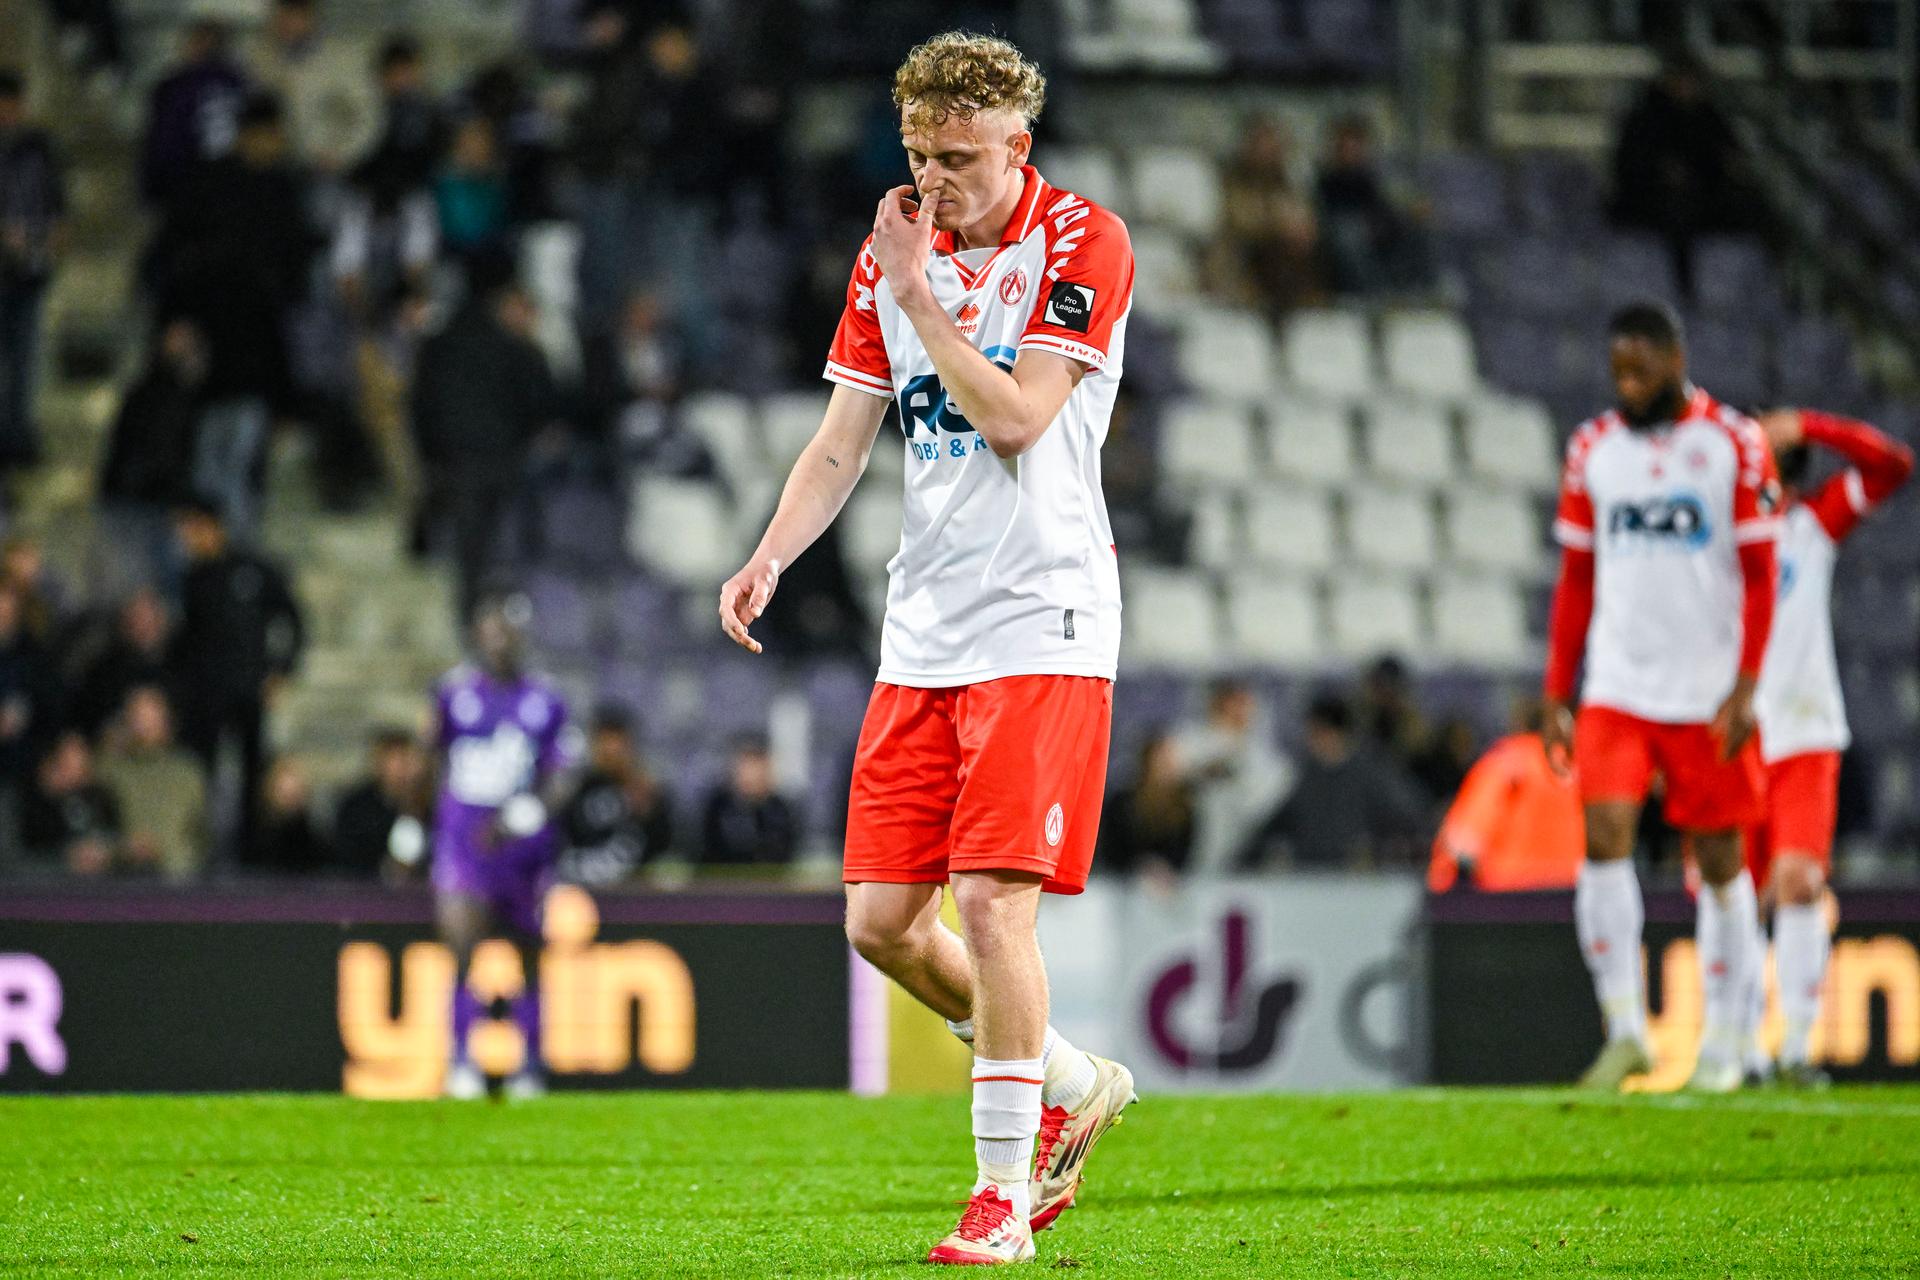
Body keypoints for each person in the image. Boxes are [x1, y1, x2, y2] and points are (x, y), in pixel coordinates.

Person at [718, 32, 1136, 1264]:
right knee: (880, 922)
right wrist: (771, 554)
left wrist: (918, 290)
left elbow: (1014, 417)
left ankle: (1002, 1196)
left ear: (1020, 145)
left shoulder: (1083, 242)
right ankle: (1067, 1076)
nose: (935, 182)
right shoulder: (890, 250)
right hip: (926, 631)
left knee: (995, 908)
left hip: (1043, 620)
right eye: (917, 156)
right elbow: (846, 440)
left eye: (958, 158)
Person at [1541, 302, 1780, 1093]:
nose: (1627, 385)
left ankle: (1728, 1037)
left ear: (1676, 360)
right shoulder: (1593, 449)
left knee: (1718, 858)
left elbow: (1759, 574)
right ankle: (1625, 1031)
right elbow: (1576, 580)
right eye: (1617, 371)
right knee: (1604, 833)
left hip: (1707, 690)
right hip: (1617, 684)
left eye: (1640, 370)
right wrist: (1557, 690)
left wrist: (1748, 684)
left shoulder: (1734, 444)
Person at [1743, 407, 1912, 1087]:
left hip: (1804, 730)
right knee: (1734, 893)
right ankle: (1741, 1048)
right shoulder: (1715, 534)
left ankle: (1796, 1049)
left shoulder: (1810, 528)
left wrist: (1810, 424)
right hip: (1731, 735)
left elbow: (1893, 465)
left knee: (1799, 883)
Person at [430, 593, 576, 1101]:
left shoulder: (544, 700)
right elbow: (432, 761)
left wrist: (527, 812)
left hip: (525, 846)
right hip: (465, 840)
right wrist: (413, 824)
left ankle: (529, 1063)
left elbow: (563, 773)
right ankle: (462, 1060)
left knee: (530, 956)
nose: (498, 641)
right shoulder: (452, 694)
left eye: (507, 631)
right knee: (462, 948)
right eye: (490, 629)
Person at [410, 262, 559, 623]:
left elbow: (421, 403)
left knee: (475, 552)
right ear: (507, 307)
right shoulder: (516, 350)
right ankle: (489, 624)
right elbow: (542, 405)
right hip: (493, 464)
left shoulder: (443, 341)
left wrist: (432, 453)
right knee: (493, 549)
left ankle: (478, 621)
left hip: (459, 463)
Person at [172, 496, 305, 865]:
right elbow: (186, 641)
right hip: (206, 695)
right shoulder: (192, 577)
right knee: (204, 771)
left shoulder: (253, 569)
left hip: (250, 690)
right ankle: (204, 851)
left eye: (193, 528)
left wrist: (282, 669)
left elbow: (291, 617)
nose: (187, 537)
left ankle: (250, 854)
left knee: (251, 772)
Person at [1237, 692, 1428, 870]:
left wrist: (1377, 852)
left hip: (1358, 884)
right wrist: (1246, 858)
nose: (1309, 739)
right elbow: (1274, 824)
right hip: (1310, 879)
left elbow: (1407, 817)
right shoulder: (1304, 776)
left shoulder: (1371, 775)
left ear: (1330, 731)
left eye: (1314, 731)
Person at [96, 317, 208, 594]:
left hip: (140, 499)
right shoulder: (159, 395)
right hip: (140, 502)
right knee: (140, 584)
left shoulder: (174, 396)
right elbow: (156, 452)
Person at [1427, 700, 1585, 893]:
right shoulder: (1583, 769)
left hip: (1510, 898)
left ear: (1520, 726)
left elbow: (1464, 842)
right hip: (1575, 891)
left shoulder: (1505, 764)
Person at [0, 70, 67, 473]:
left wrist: (51, 239)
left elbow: (55, 203)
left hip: (28, 271)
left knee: (25, 358)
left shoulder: (38, 148)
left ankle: (17, 436)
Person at [1175, 678, 1293, 874]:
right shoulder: (1191, 740)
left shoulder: (1265, 756)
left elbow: (1272, 794)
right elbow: (1174, 778)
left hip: (1247, 844)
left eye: (1244, 704)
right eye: (1233, 703)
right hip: (1197, 836)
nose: (1239, 711)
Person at [246, 0, 377, 177]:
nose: (286, 23)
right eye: (281, 15)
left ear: (310, 18)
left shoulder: (341, 58)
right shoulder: (260, 57)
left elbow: (368, 114)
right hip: (275, 167)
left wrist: (343, 153)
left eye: (294, 16)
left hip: (325, 166)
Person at [1211, 113, 1320, 314]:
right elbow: (1239, 220)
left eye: (1272, 145)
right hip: (1244, 261)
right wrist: (1277, 226)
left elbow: (1303, 222)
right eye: (1261, 144)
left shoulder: (1288, 184)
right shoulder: (1232, 181)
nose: (1267, 151)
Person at [98, 684, 206, 880]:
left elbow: (203, 837)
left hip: (180, 884)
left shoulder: (188, 772)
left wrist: (171, 856)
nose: (144, 723)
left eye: (151, 714)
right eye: (137, 714)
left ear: (167, 718)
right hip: (120, 882)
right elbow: (94, 833)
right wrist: (121, 849)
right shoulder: (110, 770)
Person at [138, 19, 248, 208]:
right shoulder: (240, 84)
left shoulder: (177, 88)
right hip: (232, 186)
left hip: (189, 185)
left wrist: (153, 187)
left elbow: (165, 144)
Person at [560, 706, 673, 885]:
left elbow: (665, 846)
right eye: (604, 740)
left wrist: (649, 813)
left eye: (616, 740)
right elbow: (568, 837)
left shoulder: (648, 789)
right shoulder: (581, 788)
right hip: (588, 886)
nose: (611, 749)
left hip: (637, 889)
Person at [72, 587, 176, 738]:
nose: (142, 626)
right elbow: (89, 716)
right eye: (136, 618)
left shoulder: (174, 667)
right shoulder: (105, 668)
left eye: (147, 618)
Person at [332, 726, 431, 876]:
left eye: (408, 759)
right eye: (397, 760)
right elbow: (348, 859)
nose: (403, 769)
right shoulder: (356, 808)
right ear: (379, 763)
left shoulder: (430, 807)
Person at [1098, 732, 1194, 882]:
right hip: (1120, 885)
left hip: (1169, 886)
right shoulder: (1122, 803)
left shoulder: (1184, 807)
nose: (1167, 766)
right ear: (1146, 762)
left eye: (1171, 759)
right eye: (1161, 759)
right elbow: (1112, 851)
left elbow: (1185, 854)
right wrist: (1141, 867)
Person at [21, 731, 120, 875]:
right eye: (67, 758)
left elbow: (115, 834)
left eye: (80, 755)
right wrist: (66, 857)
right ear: (53, 763)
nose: (76, 763)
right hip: (54, 884)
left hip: (104, 881)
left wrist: (105, 852)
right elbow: (30, 851)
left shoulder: (101, 797)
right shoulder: (38, 805)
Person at [697, 735, 799, 868]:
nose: (750, 775)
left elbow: (783, 853)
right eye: (745, 766)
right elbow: (708, 852)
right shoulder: (717, 805)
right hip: (723, 883)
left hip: (769, 884)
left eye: (756, 767)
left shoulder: (780, 809)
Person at [253, 756, 333, 873]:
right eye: (285, 794)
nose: (291, 799)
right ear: (269, 792)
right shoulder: (255, 840)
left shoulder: (316, 841)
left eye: (295, 792)